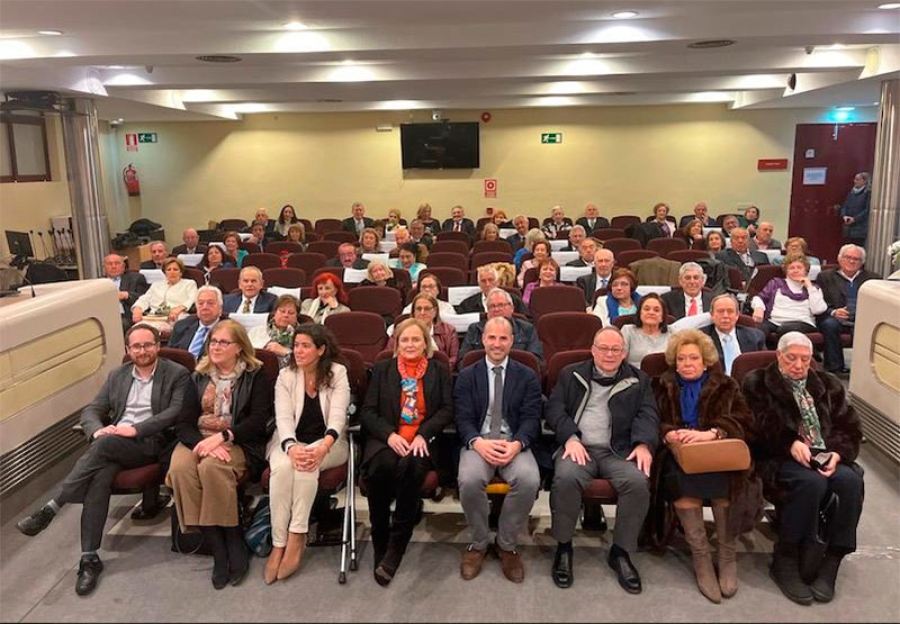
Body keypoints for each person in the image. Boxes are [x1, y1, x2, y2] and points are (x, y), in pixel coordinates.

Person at [16, 324, 192, 596]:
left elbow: (175, 412)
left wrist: (134, 429)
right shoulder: (118, 375)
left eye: (147, 345)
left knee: (104, 446)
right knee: (99, 475)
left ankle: (52, 507)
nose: (142, 351)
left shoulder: (176, 373)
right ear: (127, 350)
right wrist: (97, 429)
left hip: (151, 442)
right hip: (113, 444)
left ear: (157, 346)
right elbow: (93, 409)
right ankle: (89, 558)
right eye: (136, 346)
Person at [742, 332, 863, 605]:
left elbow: (850, 427)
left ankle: (833, 558)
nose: (798, 365)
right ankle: (786, 557)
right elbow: (753, 425)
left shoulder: (828, 384)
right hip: (778, 457)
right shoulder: (757, 383)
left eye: (805, 359)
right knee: (812, 484)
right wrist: (789, 443)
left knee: (850, 481)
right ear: (779, 356)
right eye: (792, 358)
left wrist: (838, 453)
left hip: (824, 455)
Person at [545, 326, 659, 591]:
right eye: (604, 348)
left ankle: (620, 551)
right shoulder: (570, 373)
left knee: (638, 482)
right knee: (565, 478)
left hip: (617, 450)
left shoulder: (639, 380)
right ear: (593, 350)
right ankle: (563, 547)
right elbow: (554, 409)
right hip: (578, 447)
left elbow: (648, 414)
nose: (609, 354)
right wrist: (570, 438)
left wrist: (643, 444)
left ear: (624, 353)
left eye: (615, 349)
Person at [650, 329, 756, 603]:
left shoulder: (726, 385)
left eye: (693, 358)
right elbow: (648, 418)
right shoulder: (660, 384)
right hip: (677, 453)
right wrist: (668, 433)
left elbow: (745, 420)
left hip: (718, 453)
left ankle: (726, 553)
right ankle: (701, 558)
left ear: (706, 361)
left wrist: (713, 433)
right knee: (681, 484)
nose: (687, 364)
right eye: (681, 358)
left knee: (726, 486)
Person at [360, 318, 454, 586]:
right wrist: (389, 435)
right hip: (388, 438)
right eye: (405, 340)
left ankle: (397, 544)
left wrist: (424, 434)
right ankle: (381, 537)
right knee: (381, 468)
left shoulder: (438, 370)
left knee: (411, 467)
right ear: (396, 343)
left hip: (422, 440)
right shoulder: (382, 369)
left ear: (426, 344)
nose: (410, 344)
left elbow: (447, 409)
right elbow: (367, 411)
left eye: (416, 339)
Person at [455, 316, 542, 583]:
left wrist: (517, 444)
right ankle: (479, 542)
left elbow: (531, 418)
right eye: (491, 337)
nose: (497, 343)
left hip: (513, 442)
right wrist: (477, 442)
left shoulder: (526, 374)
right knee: (469, 480)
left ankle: (506, 544)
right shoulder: (468, 374)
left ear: (512, 341)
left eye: (503, 338)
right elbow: (462, 417)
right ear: (483, 340)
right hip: (478, 443)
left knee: (529, 480)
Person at [265, 324, 350, 584]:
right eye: (296, 345)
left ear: (321, 350)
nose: (298, 351)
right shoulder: (286, 375)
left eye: (305, 346)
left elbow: (337, 417)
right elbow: (282, 417)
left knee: (307, 466)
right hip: (288, 441)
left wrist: (322, 448)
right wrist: (291, 446)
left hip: (330, 443)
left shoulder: (338, 372)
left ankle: (297, 535)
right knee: (281, 470)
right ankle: (279, 543)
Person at [815, 244, 879, 375]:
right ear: (839, 259)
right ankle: (835, 368)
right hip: (835, 315)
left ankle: (865, 370)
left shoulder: (873, 279)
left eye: (856, 259)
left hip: (863, 317)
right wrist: (833, 312)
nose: (851, 261)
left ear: (862, 262)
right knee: (829, 325)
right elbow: (818, 301)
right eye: (848, 257)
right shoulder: (825, 276)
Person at [458, 288, 543, 369]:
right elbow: (463, 362)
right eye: (492, 306)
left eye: (501, 305)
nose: (497, 309)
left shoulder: (527, 329)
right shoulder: (474, 329)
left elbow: (536, 362)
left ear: (511, 308)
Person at [752, 253, 826, 339]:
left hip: (803, 323)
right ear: (786, 271)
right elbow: (759, 298)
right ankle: (762, 352)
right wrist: (759, 308)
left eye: (799, 267)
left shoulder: (814, 288)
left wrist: (809, 287)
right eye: (791, 268)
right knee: (757, 329)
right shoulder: (776, 283)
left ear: (806, 270)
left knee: (785, 329)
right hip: (775, 322)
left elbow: (818, 310)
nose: (795, 270)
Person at [388, 292, 459, 369]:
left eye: (427, 309)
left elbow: (453, 359)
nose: (422, 313)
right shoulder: (400, 329)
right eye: (418, 309)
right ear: (413, 312)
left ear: (435, 312)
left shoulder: (449, 330)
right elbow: (389, 355)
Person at [701, 294, 767, 375]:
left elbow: (764, 368)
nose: (725, 316)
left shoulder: (756, 337)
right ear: (712, 315)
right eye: (720, 311)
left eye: (730, 311)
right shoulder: (701, 338)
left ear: (737, 315)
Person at [131, 256, 197, 333]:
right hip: (153, 317)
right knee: (135, 330)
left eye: (175, 269)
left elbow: (192, 298)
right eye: (169, 270)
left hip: (176, 316)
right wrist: (137, 309)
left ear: (181, 272)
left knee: (148, 331)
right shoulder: (156, 285)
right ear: (165, 273)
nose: (172, 272)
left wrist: (178, 309)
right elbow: (144, 299)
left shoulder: (189, 283)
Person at [169, 285, 224, 358]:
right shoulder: (181, 326)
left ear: (220, 309)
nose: (205, 307)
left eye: (210, 303)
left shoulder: (228, 330)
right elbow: (170, 355)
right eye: (200, 303)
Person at [248, 294, 301, 367]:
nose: (285, 315)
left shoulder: (302, 335)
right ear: (275, 313)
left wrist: (285, 351)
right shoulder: (256, 331)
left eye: (291, 313)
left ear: (296, 316)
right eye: (282, 311)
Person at [455, 265, 529, 316]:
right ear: (479, 284)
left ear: (498, 282)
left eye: (491, 280)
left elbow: (526, 320)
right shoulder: (467, 304)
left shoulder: (514, 300)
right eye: (483, 281)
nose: (487, 284)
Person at [621, 293, 670, 368]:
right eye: (646, 309)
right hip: (634, 376)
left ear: (662, 317)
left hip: (665, 378)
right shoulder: (628, 331)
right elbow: (620, 360)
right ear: (640, 313)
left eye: (656, 310)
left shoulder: (672, 333)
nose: (651, 312)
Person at [104, 253, 148, 332]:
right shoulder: (98, 283)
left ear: (123, 266)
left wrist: (127, 295)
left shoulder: (136, 278)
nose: (113, 266)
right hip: (105, 315)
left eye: (117, 263)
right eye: (110, 264)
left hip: (126, 315)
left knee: (118, 324)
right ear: (104, 267)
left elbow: (145, 297)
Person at [838, 172, 870, 247]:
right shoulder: (852, 192)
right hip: (848, 228)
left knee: (857, 248)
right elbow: (845, 206)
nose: (855, 181)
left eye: (858, 179)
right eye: (855, 179)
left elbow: (867, 210)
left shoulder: (867, 193)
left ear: (864, 181)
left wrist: (855, 219)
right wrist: (844, 215)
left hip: (859, 228)